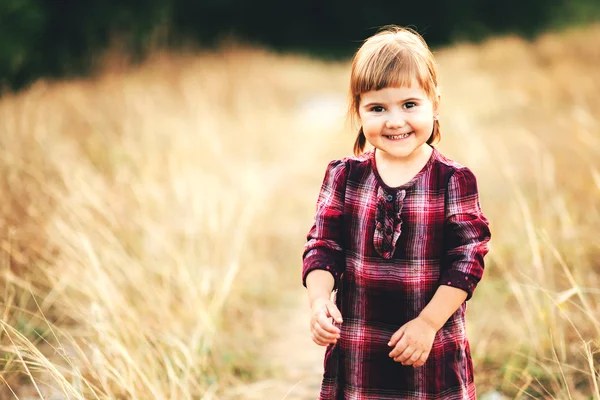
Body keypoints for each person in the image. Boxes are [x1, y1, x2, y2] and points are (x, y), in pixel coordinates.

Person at [302, 26, 492, 399]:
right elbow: (322, 245)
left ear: (434, 103)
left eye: (409, 104)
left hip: (429, 347)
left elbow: (468, 260)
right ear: (358, 110)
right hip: (360, 347)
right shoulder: (345, 176)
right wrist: (320, 301)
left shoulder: (452, 180)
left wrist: (428, 322)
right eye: (377, 108)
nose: (394, 120)